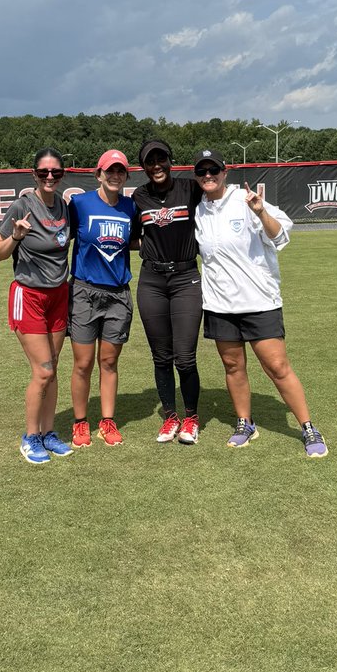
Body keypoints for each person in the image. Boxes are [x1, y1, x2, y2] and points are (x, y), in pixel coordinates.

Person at [192, 148, 328, 457]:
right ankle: (244, 422)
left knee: (278, 366)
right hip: (219, 304)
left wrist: (260, 212)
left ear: (225, 173)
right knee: (232, 365)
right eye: (202, 172)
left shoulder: (247, 199)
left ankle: (308, 427)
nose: (208, 176)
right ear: (197, 177)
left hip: (259, 300)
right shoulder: (198, 209)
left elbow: (280, 236)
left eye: (214, 170)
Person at [0, 148, 74, 464]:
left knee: (53, 370)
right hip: (27, 296)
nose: (50, 177)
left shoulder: (65, 207)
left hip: (58, 297)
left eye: (55, 172)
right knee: (43, 371)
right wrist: (15, 236)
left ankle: (49, 433)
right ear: (34, 175)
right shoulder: (22, 206)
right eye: (44, 173)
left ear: (63, 174)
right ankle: (30, 437)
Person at [133, 138, 204, 444]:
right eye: (150, 162)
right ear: (145, 167)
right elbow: (132, 237)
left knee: (185, 357)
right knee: (161, 357)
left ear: (171, 161)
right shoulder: (139, 196)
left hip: (185, 278)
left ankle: (191, 418)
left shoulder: (190, 189)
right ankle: (170, 418)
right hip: (152, 281)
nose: (157, 166)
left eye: (161, 160)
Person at [67, 150, 140, 447]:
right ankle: (80, 422)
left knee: (109, 361)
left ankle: (107, 422)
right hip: (84, 291)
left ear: (125, 176)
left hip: (118, 293)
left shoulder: (130, 207)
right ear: (98, 174)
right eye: (109, 170)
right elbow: (62, 237)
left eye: (120, 171)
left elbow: (134, 241)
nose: (115, 175)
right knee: (83, 363)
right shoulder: (80, 204)